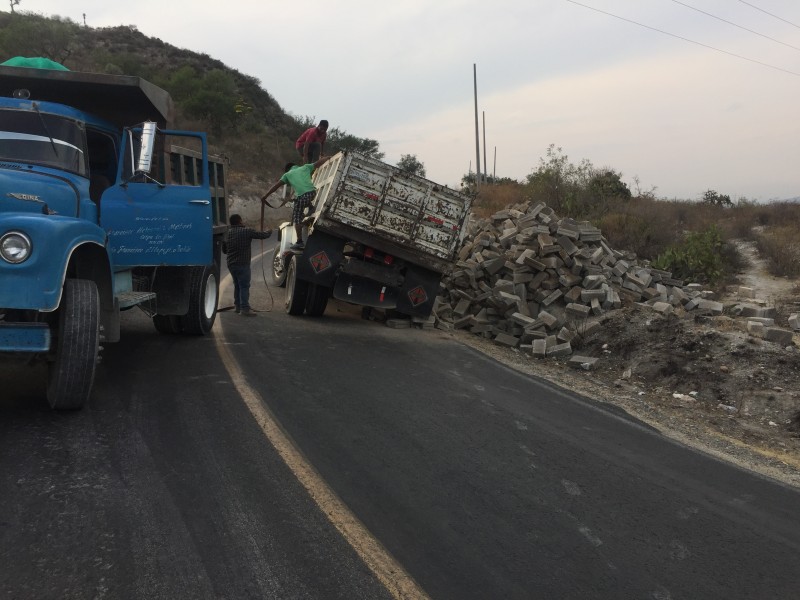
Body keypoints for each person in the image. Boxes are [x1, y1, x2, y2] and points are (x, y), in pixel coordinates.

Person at [261, 155, 331, 251]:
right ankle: (310, 207)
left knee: (296, 219)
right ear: (295, 166)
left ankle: (299, 242)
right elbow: (319, 162)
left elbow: (276, 186)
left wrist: (265, 196)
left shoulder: (287, 174)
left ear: (287, 170)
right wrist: (328, 157)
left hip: (303, 196)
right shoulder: (305, 167)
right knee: (299, 201)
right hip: (312, 193)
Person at [222, 214, 272, 316]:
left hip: (231, 264)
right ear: (240, 221)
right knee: (244, 286)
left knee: (237, 285)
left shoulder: (227, 233)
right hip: (243, 264)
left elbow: (224, 251)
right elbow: (263, 235)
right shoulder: (247, 231)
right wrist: (269, 230)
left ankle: (238, 307)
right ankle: (245, 308)